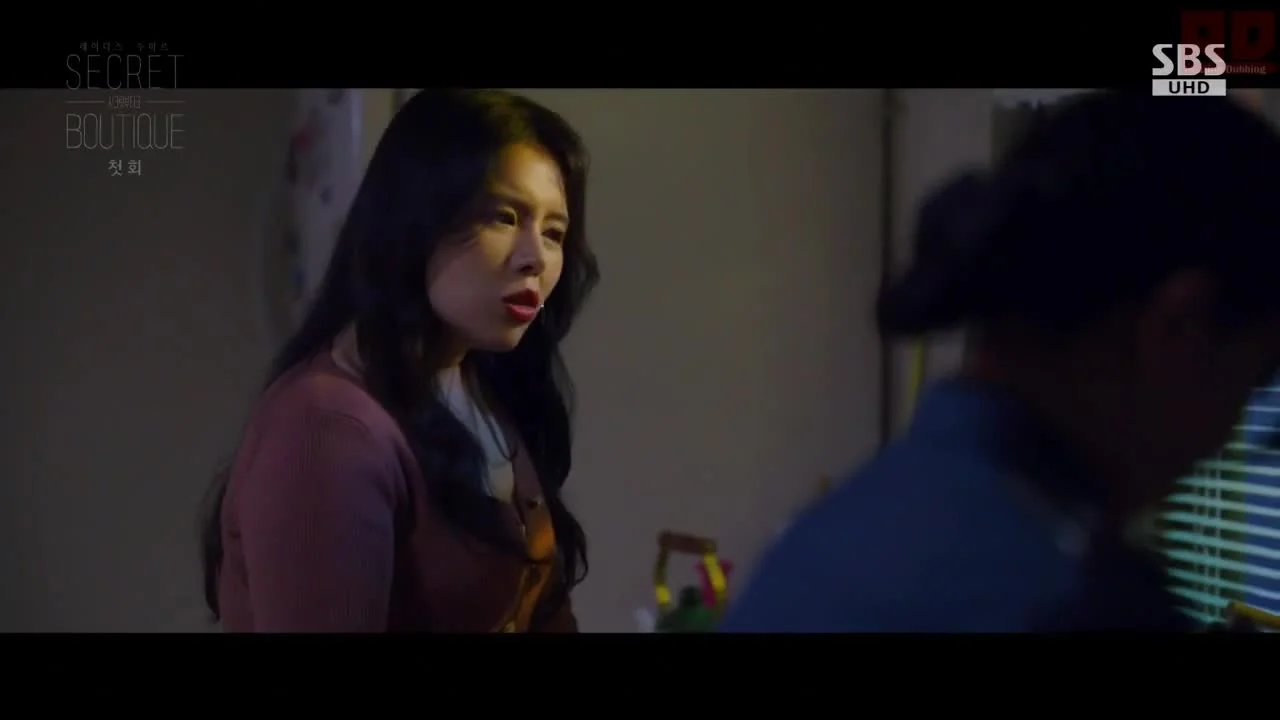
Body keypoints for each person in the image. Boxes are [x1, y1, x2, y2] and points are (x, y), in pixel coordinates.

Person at [720, 92, 1280, 632]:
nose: (1227, 436)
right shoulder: (1076, 599)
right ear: (1178, 330)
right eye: (1255, 379)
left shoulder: (832, 536)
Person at [199, 89, 599, 632]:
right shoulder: (328, 426)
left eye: (554, 233)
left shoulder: (479, 386)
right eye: (504, 217)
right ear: (416, 220)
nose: (536, 258)